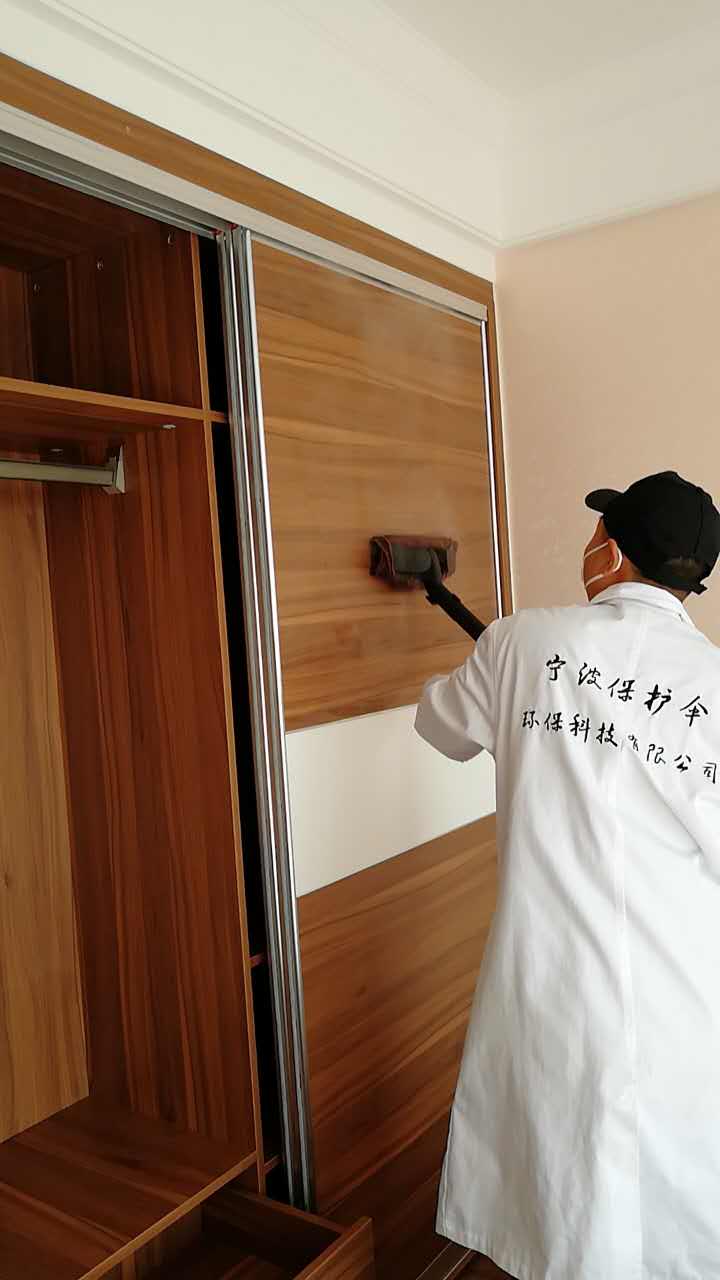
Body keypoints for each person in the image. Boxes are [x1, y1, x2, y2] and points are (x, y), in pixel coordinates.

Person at [415, 471, 720, 1280]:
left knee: (565, 1190)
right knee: (673, 1194)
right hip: (687, 982)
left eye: (598, 532)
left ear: (611, 553)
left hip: (554, 982)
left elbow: (442, 728)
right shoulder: (715, 683)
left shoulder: (522, 642)